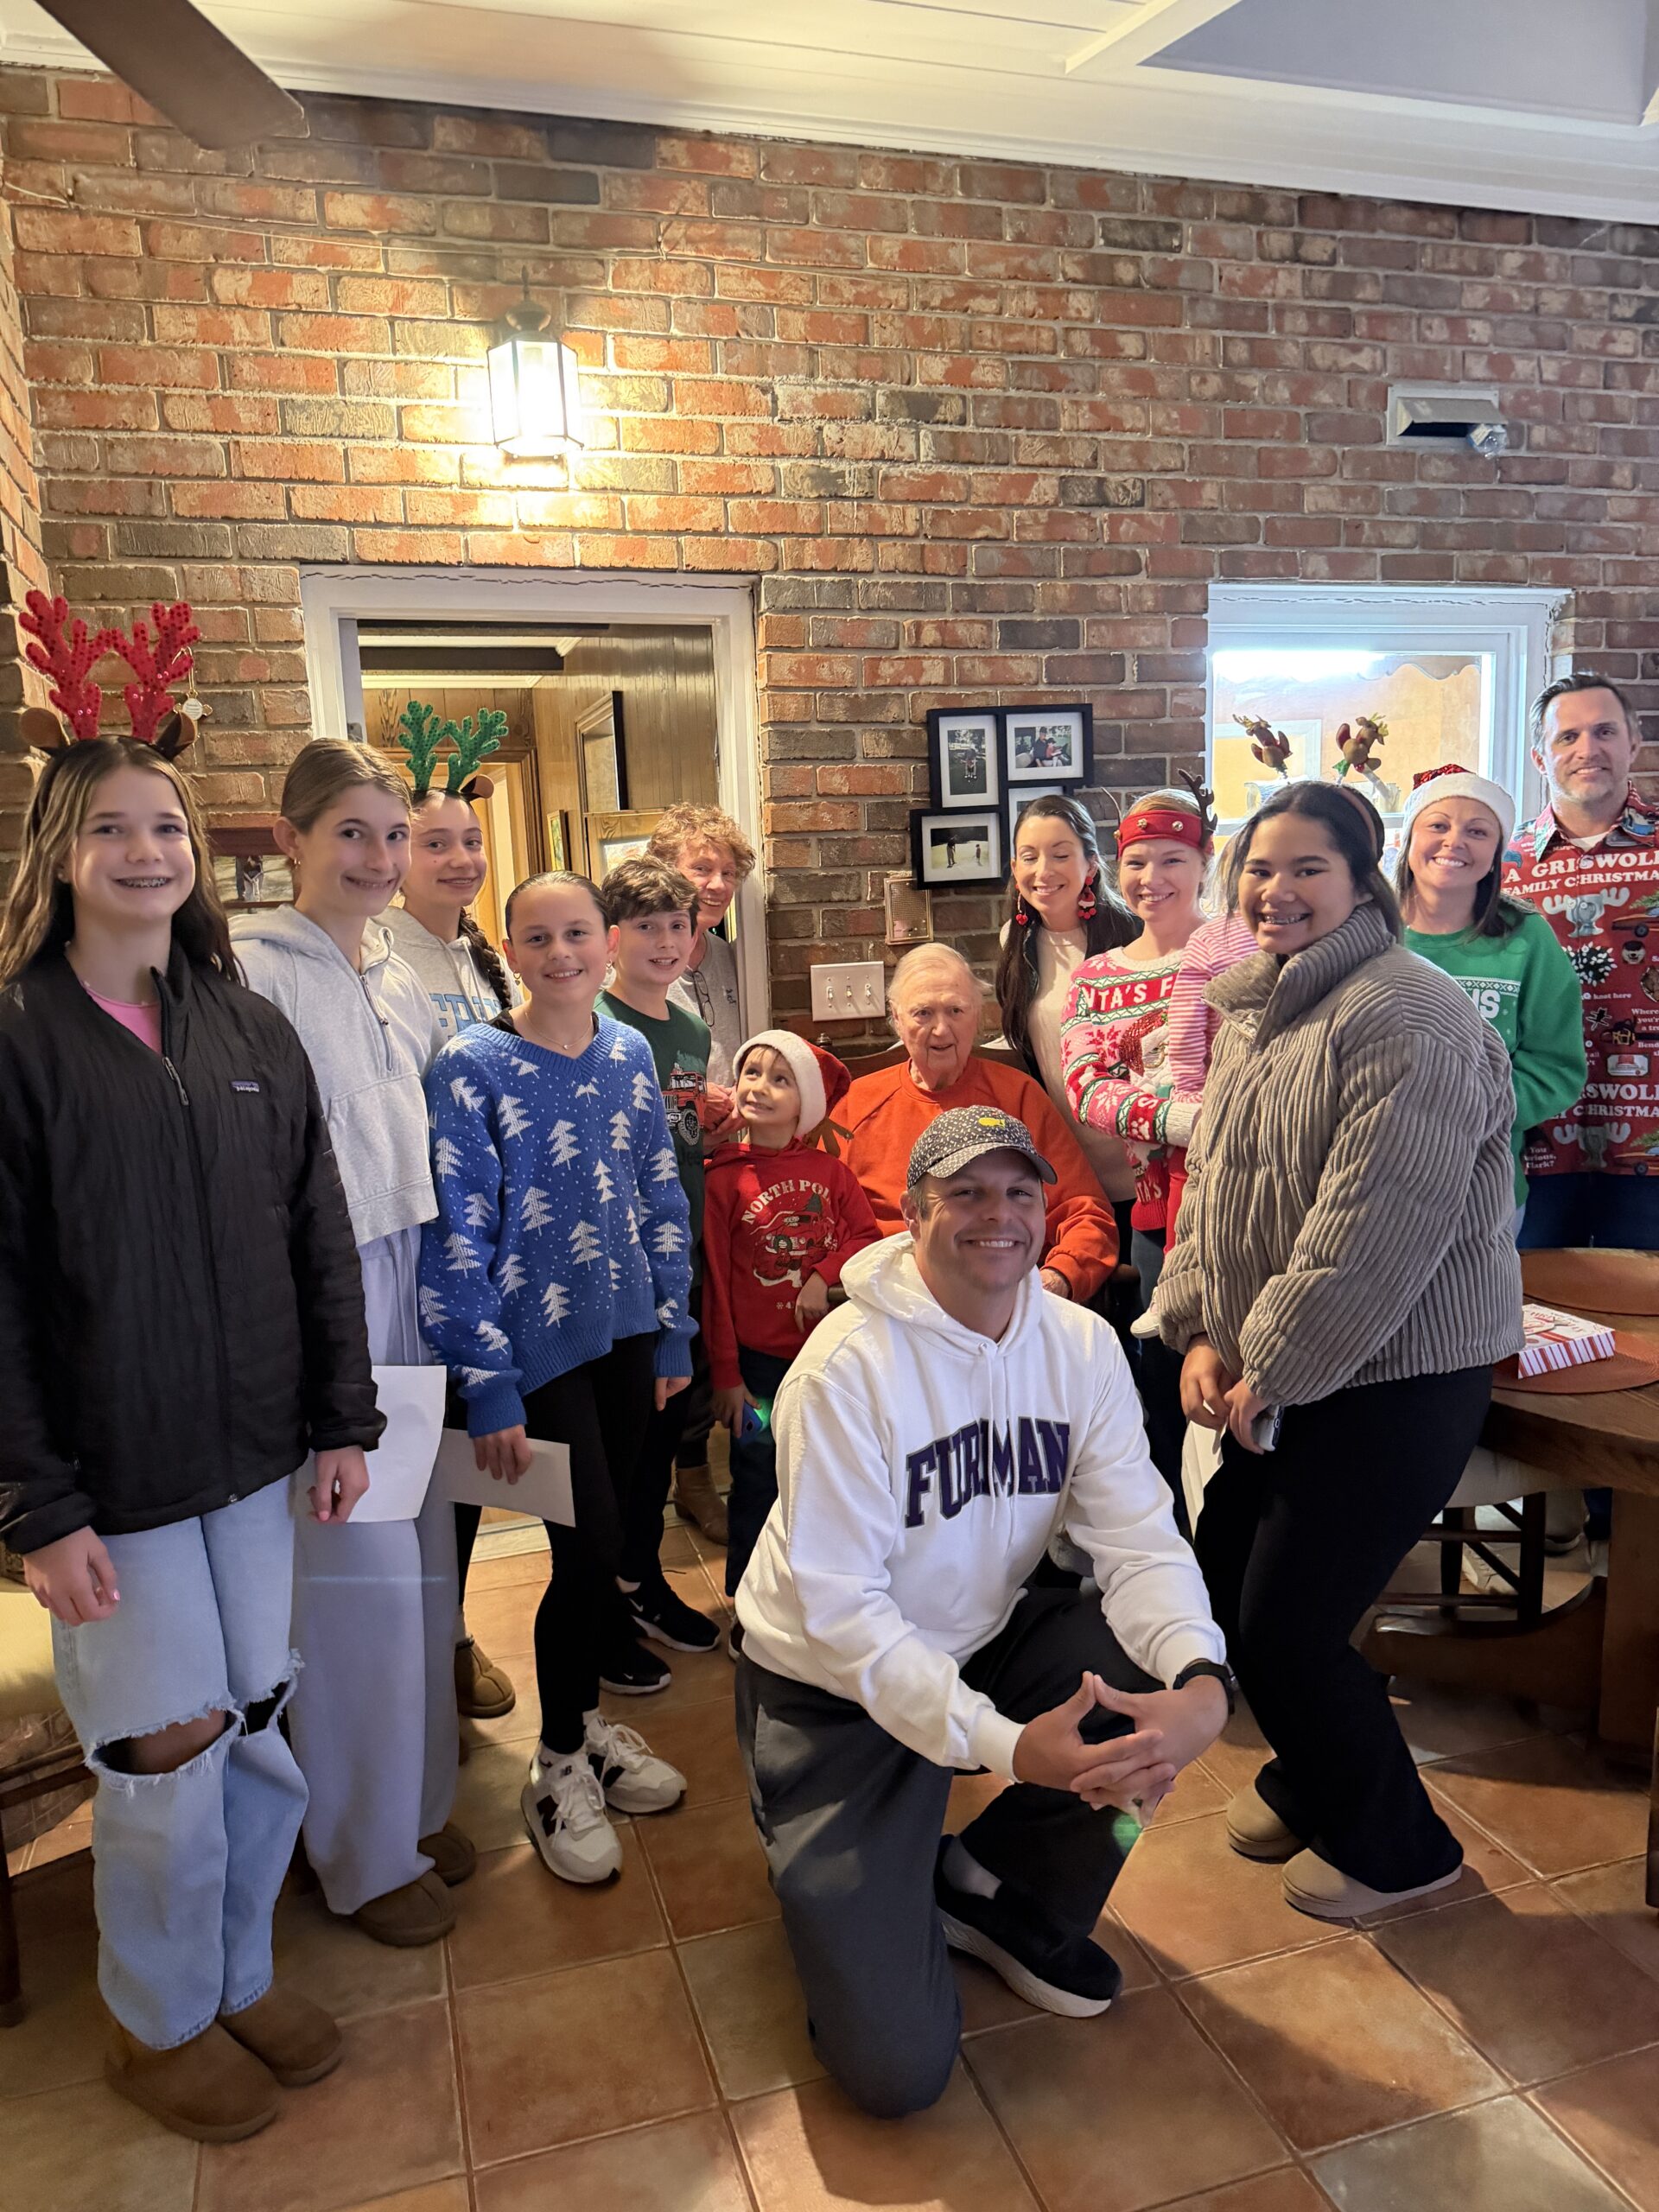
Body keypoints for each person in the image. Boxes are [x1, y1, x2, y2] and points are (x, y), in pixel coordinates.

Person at [0, 699, 374, 2139]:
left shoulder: (245, 1025)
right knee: (166, 1746)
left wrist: (340, 1421)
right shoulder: (18, 1040)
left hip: (256, 1458)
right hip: (111, 1483)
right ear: (59, 850)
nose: (146, 850)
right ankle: (157, 2022)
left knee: (258, 1721)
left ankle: (237, 1974)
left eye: (166, 825)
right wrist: (38, 1508)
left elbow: (316, 1234)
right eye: (111, 827)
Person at [734, 1107, 1230, 2118]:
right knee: (897, 2071)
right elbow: (845, 1616)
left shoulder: (1080, 1347)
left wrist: (1201, 1678)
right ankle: (830, 1858)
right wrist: (1006, 1746)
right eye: (964, 1192)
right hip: (831, 1687)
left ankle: (991, 1884)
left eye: (1018, 1191)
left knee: (1138, 1683)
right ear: (913, 1213)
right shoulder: (843, 1368)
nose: (997, 1214)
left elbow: (1136, 1536)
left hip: (979, 1639)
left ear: (1046, 1210)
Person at [1152, 779, 1523, 1919]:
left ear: (1365, 883)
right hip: (1286, 1363)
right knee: (1220, 1584)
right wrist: (1198, 1327)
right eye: (1260, 868)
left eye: (1309, 867)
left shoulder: (1409, 1013)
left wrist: (1271, 1364)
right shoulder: (1260, 1004)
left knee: (1288, 1627)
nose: (1278, 890)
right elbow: (1216, 1189)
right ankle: (1314, 1779)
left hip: (1397, 1373)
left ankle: (1402, 1850)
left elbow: (1373, 1230)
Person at [235, 741, 471, 1949]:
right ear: (291, 839)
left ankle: (413, 1807)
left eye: (393, 835)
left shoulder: (397, 974)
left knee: (421, 1567)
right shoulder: (248, 974)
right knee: (351, 1591)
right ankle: (359, 1852)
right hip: (323, 1298)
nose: (379, 860)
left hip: (409, 1277)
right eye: (351, 833)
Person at [419, 870, 693, 1884]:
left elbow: (658, 1190)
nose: (561, 953)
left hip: (627, 1331)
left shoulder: (628, 1052)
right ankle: (560, 1762)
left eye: (577, 932)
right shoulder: (470, 1066)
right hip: (534, 1350)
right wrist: (485, 1381)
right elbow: (456, 1230)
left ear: (606, 942)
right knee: (587, 1551)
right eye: (537, 937)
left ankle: (582, 1725)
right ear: (511, 951)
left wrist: (674, 1329)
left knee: (612, 1539)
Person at [382, 742, 518, 1729]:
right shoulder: (380, 961)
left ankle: (455, 1631)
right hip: (413, 1242)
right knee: (414, 1456)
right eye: (435, 843)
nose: (460, 859)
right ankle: (415, 1656)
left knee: (465, 1454)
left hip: (487, 1238)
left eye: (470, 841)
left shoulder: (483, 958)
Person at [596, 857, 723, 1684]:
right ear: (612, 938)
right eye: (647, 927)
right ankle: (612, 1588)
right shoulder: (598, 1023)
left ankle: (640, 1576)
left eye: (678, 925)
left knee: (670, 1423)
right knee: (626, 1437)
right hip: (622, 1260)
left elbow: (679, 1134)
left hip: (684, 1249)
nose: (666, 941)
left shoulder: (689, 1028)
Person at [703, 1030, 880, 1613]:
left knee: (822, 1475)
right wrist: (726, 1375)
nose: (760, 1087)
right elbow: (718, 1286)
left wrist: (822, 1275)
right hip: (755, 1370)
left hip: (824, 1362)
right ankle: (746, 1601)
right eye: (751, 1073)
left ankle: (815, 1594)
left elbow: (865, 1237)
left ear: (806, 1102)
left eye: (781, 1079)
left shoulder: (833, 1175)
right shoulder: (722, 1179)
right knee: (756, 1473)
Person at [837, 944, 1117, 1304]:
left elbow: (1086, 1212)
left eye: (955, 1010)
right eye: (923, 1013)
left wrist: (1057, 1279)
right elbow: (814, 1213)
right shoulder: (857, 1104)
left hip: (1004, 1294)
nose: (941, 1030)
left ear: (978, 1015)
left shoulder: (1017, 1095)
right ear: (896, 1018)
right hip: (887, 1295)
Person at [1502, 675, 1659, 1247]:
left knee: (1643, 1302)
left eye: (1604, 732)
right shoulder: (1499, 866)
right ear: (1540, 756)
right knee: (1527, 1296)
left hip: (1651, 1142)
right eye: (1568, 736)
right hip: (1535, 1138)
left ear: (1633, 743)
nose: (1587, 749)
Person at [1396, 765, 1585, 1229]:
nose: (1454, 841)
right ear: (1408, 838)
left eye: (1477, 831)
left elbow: (1555, 1068)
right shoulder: (1362, 931)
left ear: (1498, 851)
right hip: (1371, 1187)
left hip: (1484, 1194)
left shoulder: (1528, 938)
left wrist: (1471, 1111)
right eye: (1437, 825)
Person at [648, 800, 758, 1545]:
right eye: (700, 868)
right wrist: (695, 1105)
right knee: (677, 1324)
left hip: (730, 1161)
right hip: (669, 1169)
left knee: (719, 1315)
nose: (716, 884)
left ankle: (703, 1470)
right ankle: (679, 1476)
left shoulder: (727, 957)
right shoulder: (641, 959)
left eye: (727, 871)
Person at [993, 794, 1138, 1235]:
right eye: (1029, 857)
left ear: (1090, 865)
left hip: (1141, 1162)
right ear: (1014, 867)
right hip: (1068, 1166)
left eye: (1060, 855)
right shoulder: (1014, 941)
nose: (1043, 871)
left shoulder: (1134, 935)